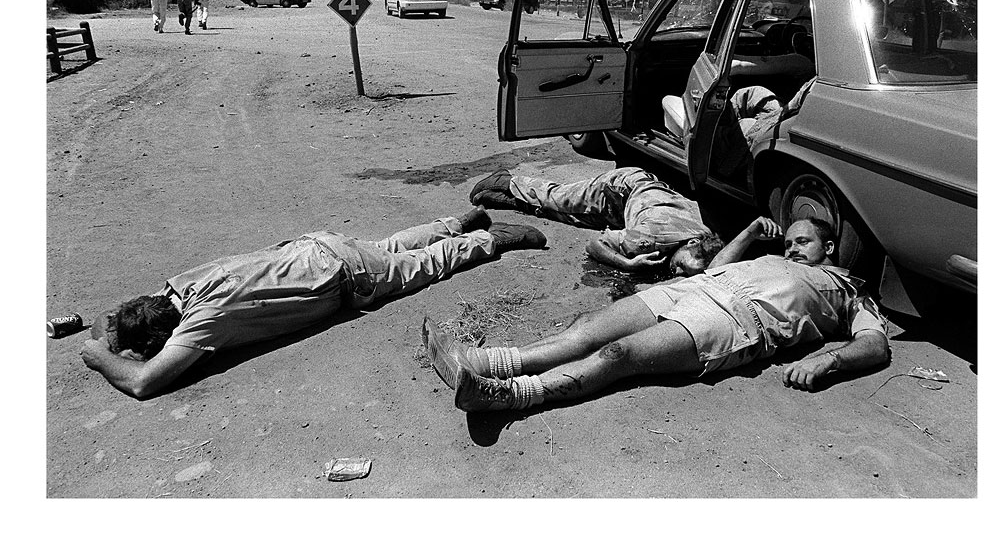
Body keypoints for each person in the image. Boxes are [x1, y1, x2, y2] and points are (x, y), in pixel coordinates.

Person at [423, 216, 889, 412]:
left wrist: (828, 361)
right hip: (698, 287)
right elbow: (719, 265)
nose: (791, 249)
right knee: (585, 327)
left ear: (829, 247)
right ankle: (483, 362)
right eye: (788, 242)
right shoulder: (771, 258)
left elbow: (875, 344)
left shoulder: (848, 289)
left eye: (802, 242)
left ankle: (508, 396)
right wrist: (749, 233)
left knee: (618, 355)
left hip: (735, 320)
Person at [81, 208, 546, 399]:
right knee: (390, 247)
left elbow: (143, 382)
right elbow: (109, 320)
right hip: (317, 247)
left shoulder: (203, 321)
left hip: (342, 274)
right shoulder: (177, 288)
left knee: (421, 265)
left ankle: (489, 239)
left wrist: (99, 354)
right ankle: (454, 222)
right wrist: (108, 335)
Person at [469, 167, 723, 277]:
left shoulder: (705, 235)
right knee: (559, 198)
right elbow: (594, 245)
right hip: (620, 188)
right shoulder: (651, 239)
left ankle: (507, 200)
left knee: (570, 217)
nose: (678, 272)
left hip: (634, 205)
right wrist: (627, 264)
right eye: (683, 267)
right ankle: (508, 181)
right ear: (691, 243)